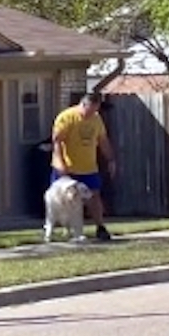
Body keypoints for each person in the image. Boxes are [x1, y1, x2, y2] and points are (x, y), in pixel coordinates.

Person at [51, 92, 117, 241]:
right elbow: (57, 142)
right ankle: (63, 230)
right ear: (83, 105)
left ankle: (100, 227)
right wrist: (61, 164)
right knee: (64, 200)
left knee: (94, 196)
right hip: (68, 167)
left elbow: (103, 141)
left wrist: (111, 159)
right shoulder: (66, 117)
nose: (92, 114)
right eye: (90, 110)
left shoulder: (96, 119)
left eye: (96, 110)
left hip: (88, 167)